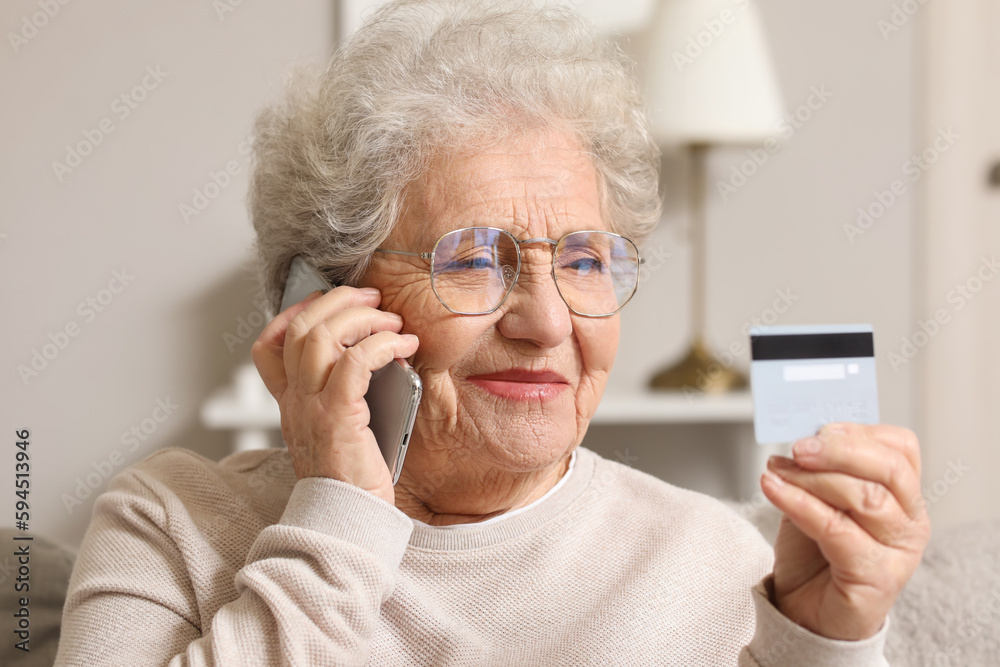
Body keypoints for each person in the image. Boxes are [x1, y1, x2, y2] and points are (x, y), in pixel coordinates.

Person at [55, 0, 930, 664]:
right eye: (473, 258)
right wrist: (340, 524)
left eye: (586, 260)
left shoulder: (719, 566)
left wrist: (822, 646)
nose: (548, 322)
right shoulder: (168, 523)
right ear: (323, 295)